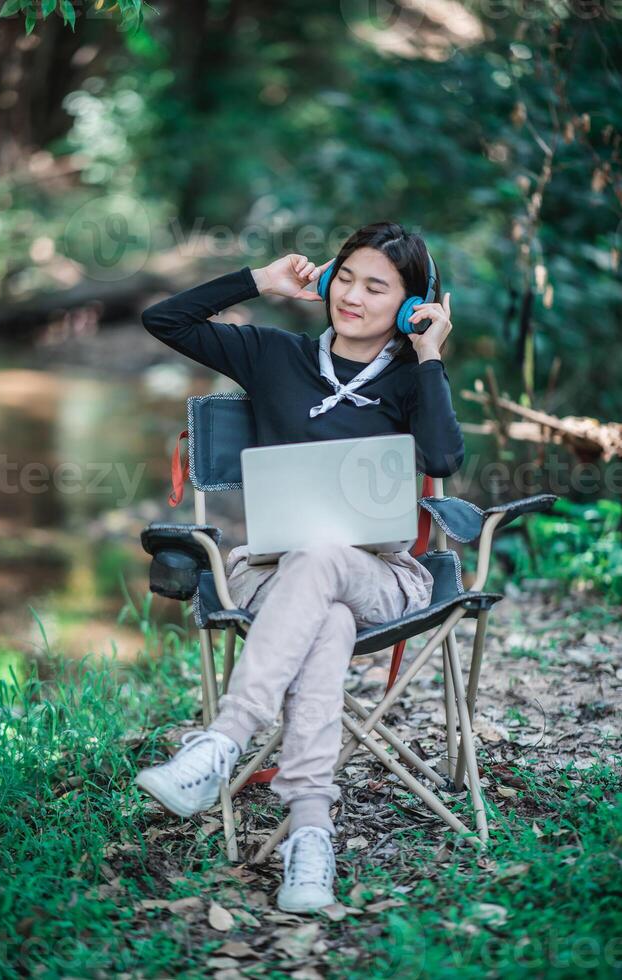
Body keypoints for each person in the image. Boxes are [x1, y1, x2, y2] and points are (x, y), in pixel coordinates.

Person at [135, 221, 464, 913]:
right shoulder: (273, 354)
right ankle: (310, 835)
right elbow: (163, 318)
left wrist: (429, 353)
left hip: (382, 576)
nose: (352, 296)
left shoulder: (408, 382)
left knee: (327, 565)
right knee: (327, 617)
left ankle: (224, 740)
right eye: (345, 276)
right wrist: (259, 279)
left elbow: (441, 460)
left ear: (410, 304)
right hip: (272, 574)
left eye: (378, 288)